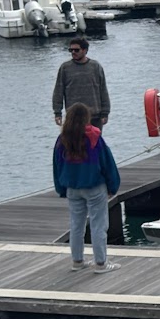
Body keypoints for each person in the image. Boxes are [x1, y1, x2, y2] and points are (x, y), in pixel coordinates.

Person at [53, 102, 121, 270]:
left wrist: (61, 188)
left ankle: (77, 261)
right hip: (94, 187)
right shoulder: (94, 137)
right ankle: (101, 263)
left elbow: (57, 166)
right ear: (86, 118)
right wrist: (113, 187)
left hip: (72, 188)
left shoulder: (62, 140)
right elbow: (107, 163)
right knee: (98, 225)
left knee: (76, 225)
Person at [52, 37, 110, 127]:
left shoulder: (96, 67)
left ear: (85, 50)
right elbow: (58, 91)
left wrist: (105, 113)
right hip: (73, 117)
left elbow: (103, 91)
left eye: (76, 50)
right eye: (71, 50)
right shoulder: (65, 68)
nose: (73, 52)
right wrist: (57, 113)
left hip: (95, 117)